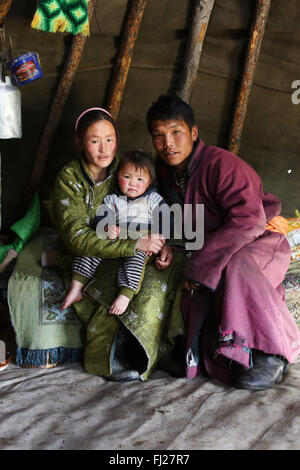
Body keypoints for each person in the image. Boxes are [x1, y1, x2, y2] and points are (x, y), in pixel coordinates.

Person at [146, 94, 300, 391]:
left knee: (236, 267)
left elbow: (249, 221)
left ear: (193, 132)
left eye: (176, 132)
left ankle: (270, 355)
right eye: (159, 136)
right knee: (189, 277)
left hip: (259, 241)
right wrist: (169, 245)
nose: (168, 143)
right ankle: (202, 354)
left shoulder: (222, 165)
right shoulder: (165, 175)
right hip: (218, 248)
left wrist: (201, 268)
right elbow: (175, 222)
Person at [49, 107, 185, 381]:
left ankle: (153, 351)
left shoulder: (127, 167)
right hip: (91, 252)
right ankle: (109, 357)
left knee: (156, 278)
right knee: (109, 284)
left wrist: (168, 243)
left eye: (109, 139)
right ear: (79, 143)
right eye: (94, 140)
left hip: (129, 248)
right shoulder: (69, 178)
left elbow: (164, 207)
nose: (103, 149)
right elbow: (77, 237)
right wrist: (134, 243)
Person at [61, 149, 171, 316]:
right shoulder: (112, 199)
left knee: (136, 259)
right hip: (117, 238)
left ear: (149, 182)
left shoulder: (153, 199)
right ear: (117, 176)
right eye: (126, 177)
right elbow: (102, 218)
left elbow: (165, 218)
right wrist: (106, 228)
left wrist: (160, 238)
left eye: (140, 179)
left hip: (140, 239)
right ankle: (76, 287)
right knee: (92, 249)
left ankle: (125, 294)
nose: (132, 183)